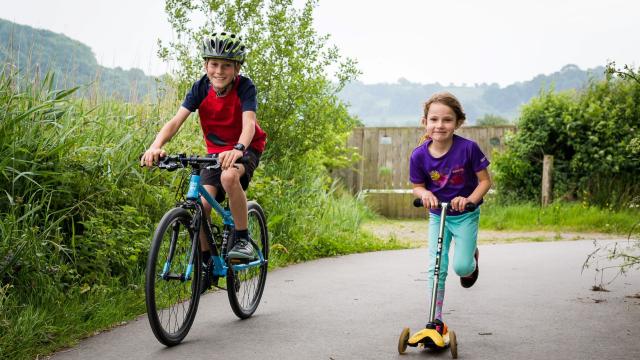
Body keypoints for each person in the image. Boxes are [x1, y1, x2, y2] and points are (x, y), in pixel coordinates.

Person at [140, 32, 267, 288]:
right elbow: (176, 121)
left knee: (229, 176)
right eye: (214, 64)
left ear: (237, 68)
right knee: (201, 206)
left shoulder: (245, 87)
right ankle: (207, 262)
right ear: (206, 65)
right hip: (215, 153)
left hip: (247, 147)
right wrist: (156, 146)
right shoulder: (200, 88)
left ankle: (242, 238)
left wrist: (239, 148)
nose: (219, 71)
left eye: (226, 65)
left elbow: (249, 123)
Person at [409, 92, 491, 333]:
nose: (440, 125)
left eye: (447, 120)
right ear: (425, 122)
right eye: (434, 119)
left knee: (462, 268)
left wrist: (469, 200)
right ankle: (435, 321)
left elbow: (485, 182)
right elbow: (417, 186)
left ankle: (472, 259)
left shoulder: (468, 149)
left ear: (458, 123)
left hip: (464, 215)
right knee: (437, 267)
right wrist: (424, 194)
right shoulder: (419, 155)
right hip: (438, 215)